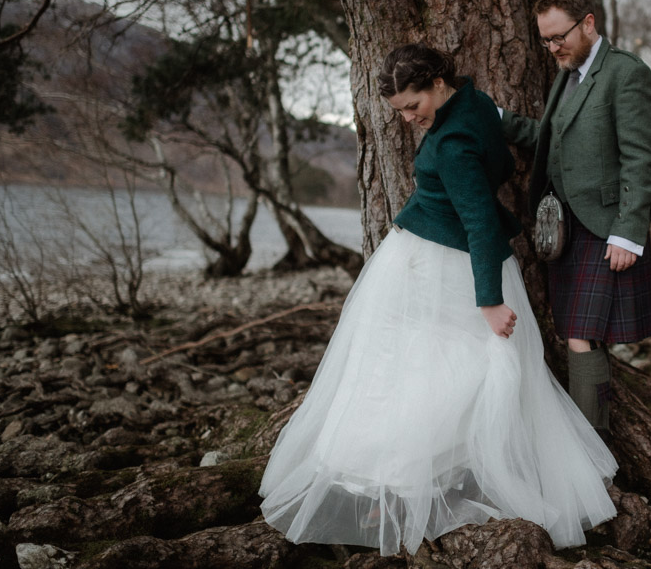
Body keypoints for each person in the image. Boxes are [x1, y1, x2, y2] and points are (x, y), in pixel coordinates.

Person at [259, 43, 617, 557]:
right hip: (432, 254)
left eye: (412, 105)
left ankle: (401, 475)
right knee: (414, 360)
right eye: (400, 110)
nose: (408, 119)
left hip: (441, 263)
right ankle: (421, 476)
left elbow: (477, 223)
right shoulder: (473, 102)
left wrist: (489, 301)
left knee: (427, 364)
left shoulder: (451, 144)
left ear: (436, 83)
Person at [501, 0, 651, 441]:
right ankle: (591, 443)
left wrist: (629, 233)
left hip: (604, 226)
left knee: (580, 336)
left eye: (559, 37)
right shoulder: (567, 75)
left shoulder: (625, 73)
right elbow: (552, 138)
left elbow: (640, 157)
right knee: (576, 331)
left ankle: (590, 450)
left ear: (588, 22)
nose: (553, 48)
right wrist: (500, 120)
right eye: (545, 40)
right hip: (565, 230)